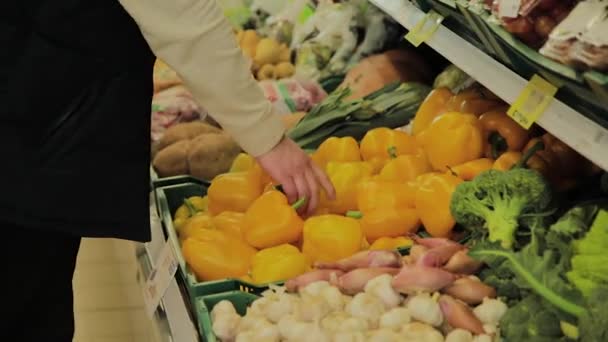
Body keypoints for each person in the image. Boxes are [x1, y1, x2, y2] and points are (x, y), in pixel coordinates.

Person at [1, 0, 335, 340]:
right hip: (30, 118)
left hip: (32, 106)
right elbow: (185, 17)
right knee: (27, 305)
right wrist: (268, 138)